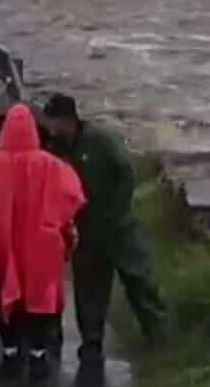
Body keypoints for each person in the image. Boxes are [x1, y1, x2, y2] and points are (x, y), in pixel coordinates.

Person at [0, 103, 87, 381]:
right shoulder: (53, 165)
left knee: (5, 296)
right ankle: (38, 355)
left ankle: (10, 351)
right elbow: (71, 197)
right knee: (39, 301)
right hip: (41, 247)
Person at [42, 94, 168, 361]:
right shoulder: (56, 146)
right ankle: (91, 342)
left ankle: (160, 336)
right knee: (89, 287)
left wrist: (118, 212)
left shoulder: (101, 139)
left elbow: (126, 173)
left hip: (117, 225)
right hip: (85, 228)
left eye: (53, 120)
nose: (50, 126)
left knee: (139, 279)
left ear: (67, 119)